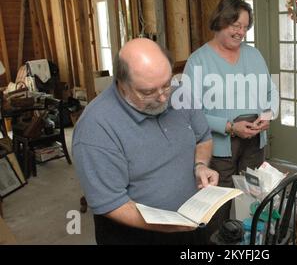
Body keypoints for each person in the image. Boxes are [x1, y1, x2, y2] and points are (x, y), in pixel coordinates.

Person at [72, 38, 219, 245]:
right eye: (148, 92)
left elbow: (203, 137)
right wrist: (172, 224)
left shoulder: (178, 94)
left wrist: (200, 165)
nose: (162, 98)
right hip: (139, 236)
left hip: (191, 223)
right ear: (122, 85)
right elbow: (111, 203)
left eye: (166, 84)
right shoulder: (95, 128)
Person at [182, 0, 279, 228]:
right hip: (219, 149)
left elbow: (271, 91)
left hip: (255, 144)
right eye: (236, 25)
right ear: (220, 21)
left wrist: (268, 114)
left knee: (252, 198)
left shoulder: (254, 55)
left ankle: (248, 242)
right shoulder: (198, 62)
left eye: (245, 27)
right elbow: (188, 112)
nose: (241, 32)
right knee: (222, 205)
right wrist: (228, 127)